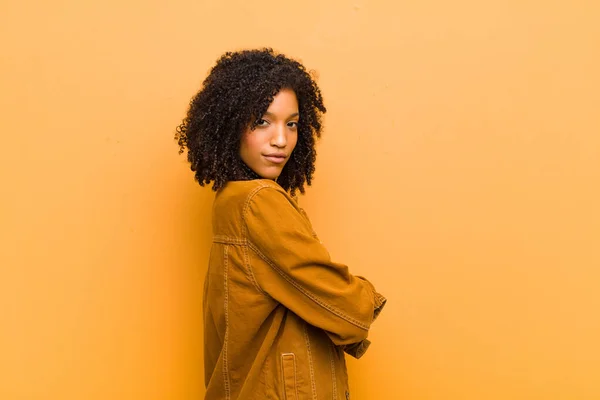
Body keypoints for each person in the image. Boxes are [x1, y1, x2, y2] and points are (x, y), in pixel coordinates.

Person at [176, 48, 386, 400]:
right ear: (229, 124)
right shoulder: (259, 201)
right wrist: (364, 293)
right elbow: (347, 308)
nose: (281, 140)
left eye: (291, 123)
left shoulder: (230, 200)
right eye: (262, 121)